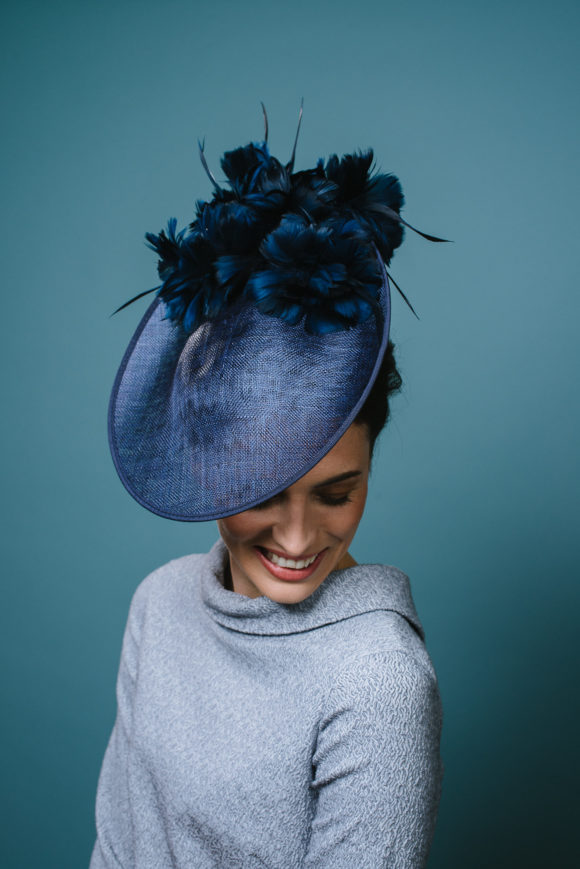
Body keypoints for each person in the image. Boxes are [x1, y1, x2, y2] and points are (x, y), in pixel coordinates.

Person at [90, 110, 445, 868]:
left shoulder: (378, 680)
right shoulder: (159, 602)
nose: (296, 538)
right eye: (261, 491)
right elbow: (116, 845)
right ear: (207, 468)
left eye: (335, 492)